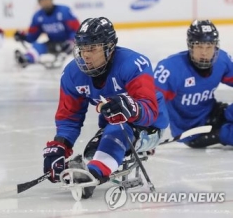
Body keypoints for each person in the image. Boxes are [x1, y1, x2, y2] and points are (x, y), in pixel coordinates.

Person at [43, 17, 169, 199]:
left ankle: (92, 176)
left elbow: (149, 110)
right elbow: (69, 117)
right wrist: (60, 146)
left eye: (92, 49)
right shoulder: (72, 74)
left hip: (151, 125)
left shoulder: (133, 64)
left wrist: (131, 107)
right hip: (112, 125)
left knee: (116, 133)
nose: (85, 55)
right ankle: (97, 165)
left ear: (109, 48)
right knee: (93, 151)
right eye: (82, 48)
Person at [154, 19, 233, 148]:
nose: (204, 52)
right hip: (192, 131)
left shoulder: (222, 60)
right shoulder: (171, 69)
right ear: (190, 46)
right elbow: (150, 104)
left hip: (216, 113)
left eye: (209, 47)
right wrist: (145, 136)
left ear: (215, 47)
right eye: (199, 46)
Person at [14, 0, 80, 68]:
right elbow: (32, 36)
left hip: (70, 44)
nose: (45, 2)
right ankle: (27, 59)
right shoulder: (38, 16)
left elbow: (77, 30)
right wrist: (23, 36)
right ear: (39, 2)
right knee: (37, 46)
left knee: (78, 54)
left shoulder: (65, 11)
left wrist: (71, 42)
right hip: (52, 43)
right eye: (42, 0)